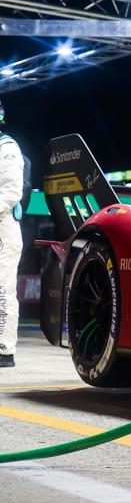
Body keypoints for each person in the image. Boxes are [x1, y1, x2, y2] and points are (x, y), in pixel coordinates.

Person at [0, 102, 24, 368]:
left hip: (3, 225)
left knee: (2, 287)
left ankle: (4, 350)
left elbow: (11, 191)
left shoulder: (7, 147)